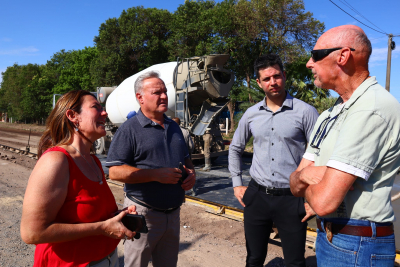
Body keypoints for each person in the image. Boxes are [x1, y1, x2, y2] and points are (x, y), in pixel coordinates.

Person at [290, 25, 400, 266]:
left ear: (342, 56)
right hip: (330, 237)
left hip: (358, 244)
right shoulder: (329, 114)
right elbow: (294, 184)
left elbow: (322, 202)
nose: (309, 63)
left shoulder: (371, 109)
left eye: (316, 55)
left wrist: (305, 177)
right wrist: (309, 175)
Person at [20, 90, 137, 267]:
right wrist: (103, 227)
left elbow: (89, 213)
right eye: (96, 107)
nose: (104, 112)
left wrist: (118, 217)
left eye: (103, 108)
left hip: (107, 259)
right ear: (73, 116)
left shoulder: (93, 161)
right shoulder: (56, 160)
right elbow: (32, 233)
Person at [229, 54, 319, 267]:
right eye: (267, 79)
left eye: (277, 76)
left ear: (284, 76)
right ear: (259, 83)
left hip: (291, 198)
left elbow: (321, 155)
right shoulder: (251, 114)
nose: (273, 82)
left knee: (295, 261)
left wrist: (313, 199)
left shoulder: (305, 112)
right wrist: (236, 184)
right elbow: (234, 148)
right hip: (256, 196)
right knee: (254, 258)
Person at [105, 71, 196, 267]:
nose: (163, 96)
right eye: (157, 92)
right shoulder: (129, 129)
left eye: (164, 91)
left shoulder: (174, 127)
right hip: (144, 214)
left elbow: (186, 160)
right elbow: (114, 171)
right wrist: (155, 175)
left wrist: (191, 174)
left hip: (173, 214)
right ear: (140, 97)